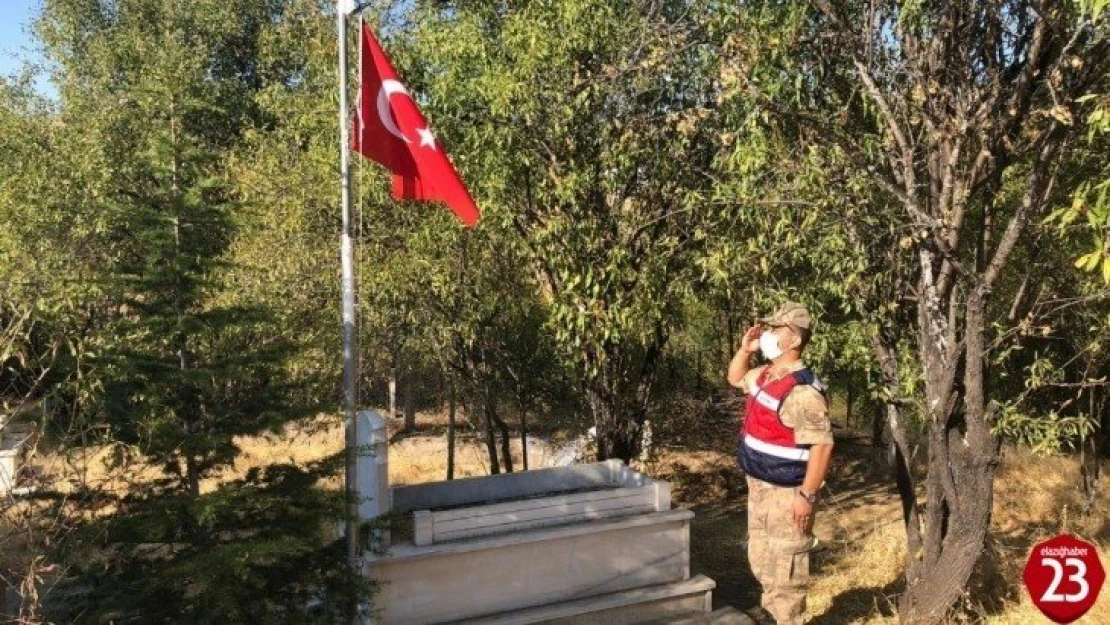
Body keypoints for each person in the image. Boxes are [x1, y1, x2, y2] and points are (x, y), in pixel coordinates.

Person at [727, 301, 834, 625]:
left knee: (786, 575)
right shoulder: (766, 375)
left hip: (787, 497)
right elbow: (735, 378)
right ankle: (771, 616)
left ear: (795, 340)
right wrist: (745, 350)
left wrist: (807, 496)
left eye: (776, 330)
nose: (768, 335)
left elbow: (823, 448)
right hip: (759, 488)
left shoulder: (802, 393)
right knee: (762, 560)